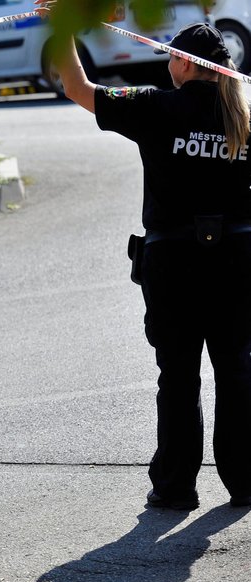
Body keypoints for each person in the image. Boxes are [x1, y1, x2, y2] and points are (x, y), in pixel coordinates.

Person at [38, 3, 251, 511]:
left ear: (184, 64)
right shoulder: (243, 118)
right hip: (238, 261)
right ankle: (245, 480)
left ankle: (176, 487)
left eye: (171, 53)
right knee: (237, 370)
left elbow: (78, 88)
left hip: (175, 263)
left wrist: (60, 29)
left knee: (178, 375)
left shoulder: (156, 106)